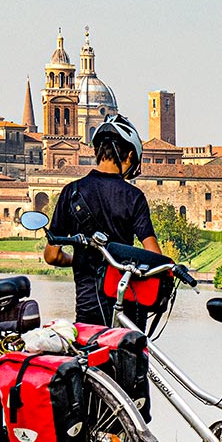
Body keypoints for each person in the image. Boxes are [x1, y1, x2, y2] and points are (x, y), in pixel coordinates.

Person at [43, 113, 162, 322]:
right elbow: (154, 256)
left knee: (87, 353)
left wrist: (79, 260)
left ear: (97, 151)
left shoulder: (72, 192)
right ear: (131, 156)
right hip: (127, 309)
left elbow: (52, 255)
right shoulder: (134, 197)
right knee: (130, 352)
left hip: (88, 310)